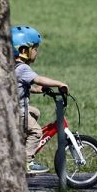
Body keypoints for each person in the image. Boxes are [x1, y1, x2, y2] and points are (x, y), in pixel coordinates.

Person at [12, 25, 68, 175]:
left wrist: (35, 90)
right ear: (24, 51)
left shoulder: (11, 67)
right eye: (35, 48)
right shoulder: (23, 68)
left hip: (11, 108)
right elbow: (39, 79)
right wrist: (59, 83)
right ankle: (26, 162)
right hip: (17, 110)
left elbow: (17, 86)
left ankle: (19, 147)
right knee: (36, 132)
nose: (37, 52)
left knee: (35, 112)